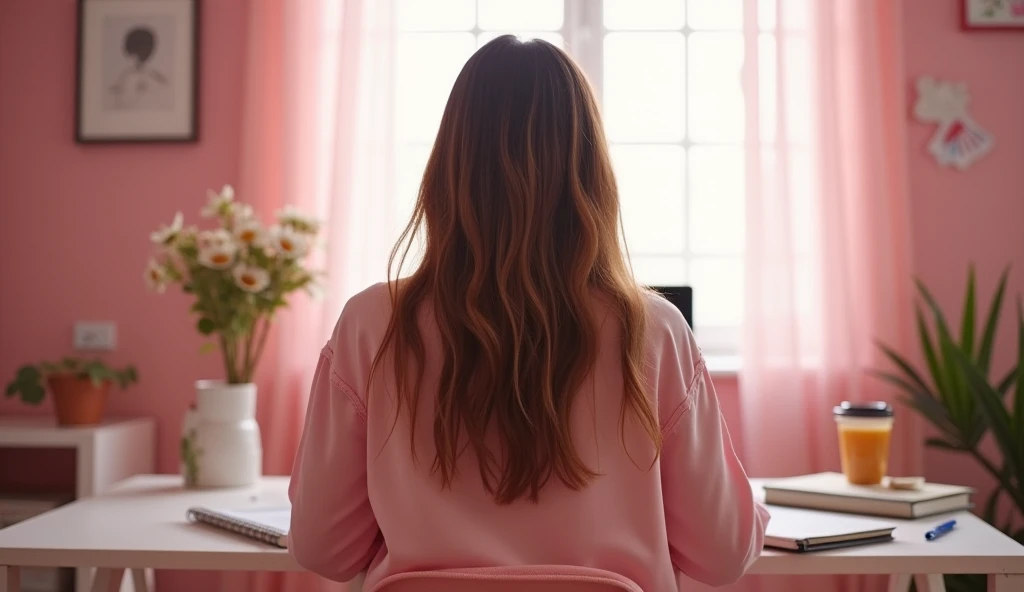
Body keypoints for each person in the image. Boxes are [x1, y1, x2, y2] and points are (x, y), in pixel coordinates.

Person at [288, 35, 769, 591]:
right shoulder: (654, 331)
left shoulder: (373, 323)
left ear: (450, 164)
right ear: (589, 173)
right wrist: (749, 509)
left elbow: (324, 548)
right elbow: (722, 555)